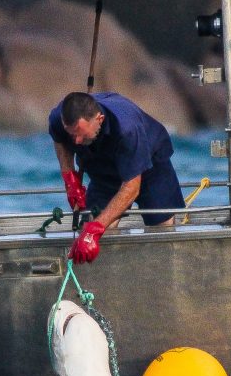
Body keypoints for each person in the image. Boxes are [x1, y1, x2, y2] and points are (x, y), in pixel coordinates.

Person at [49, 91, 185, 264]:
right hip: (102, 171)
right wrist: (70, 179)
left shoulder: (127, 128)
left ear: (99, 119)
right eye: (72, 134)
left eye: (81, 134)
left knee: (161, 227)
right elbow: (59, 139)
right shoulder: (59, 117)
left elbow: (131, 188)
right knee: (91, 232)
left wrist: (96, 228)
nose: (76, 141)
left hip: (150, 166)